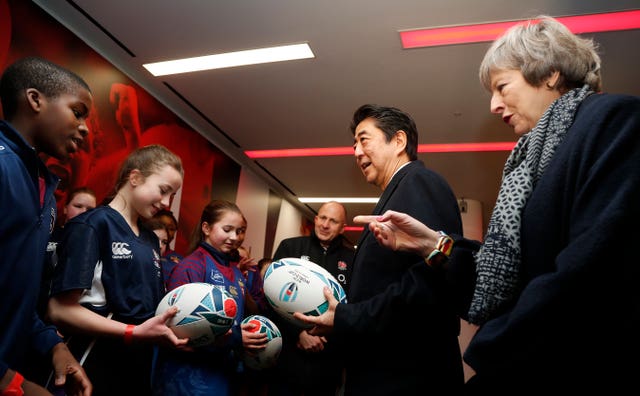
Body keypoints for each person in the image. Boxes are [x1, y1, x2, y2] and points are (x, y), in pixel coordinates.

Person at [319, 16, 640, 393]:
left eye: (502, 87)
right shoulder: (528, 160)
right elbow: (501, 274)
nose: (492, 105)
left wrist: (494, 353)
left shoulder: (613, 121)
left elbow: (590, 269)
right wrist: (433, 246)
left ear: (550, 74)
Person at [296, 104, 465, 394]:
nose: (356, 152)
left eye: (364, 140)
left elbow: (425, 286)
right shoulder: (397, 193)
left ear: (398, 141)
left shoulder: (418, 182)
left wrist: (345, 317)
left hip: (407, 376)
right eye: (354, 145)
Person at [47, 144, 189, 395]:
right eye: (164, 190)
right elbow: (59, 309)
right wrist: (132, 332)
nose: (167, 203)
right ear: (134, 177)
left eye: (173, 196)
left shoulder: (151, 239)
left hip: (137, 364)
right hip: (93, 358)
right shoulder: (93, 225)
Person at [0, 56, 93, 396]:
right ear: (35, 100)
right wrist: (7, 381)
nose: (85, 128)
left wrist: (53, 345)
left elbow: (15, 294)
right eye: (78, 111)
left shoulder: (42, 186)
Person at [152, 200, 268, 396]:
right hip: (188, 378)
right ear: (206, 228)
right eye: (227, 229)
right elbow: (178, 330)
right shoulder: (192, 266)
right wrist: (237, 337)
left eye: (240, 231)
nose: (235, 237)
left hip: (223, 373)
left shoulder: (236, 270)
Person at [269, 200, 354, 396]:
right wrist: (299, 333)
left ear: (343, 228)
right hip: (288, 355)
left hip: (327, 360)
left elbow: (353, 308)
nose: (325, 224)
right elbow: (271, 298)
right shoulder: (290, 247)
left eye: (333, 221)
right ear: (315, 219)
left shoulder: (352, 259)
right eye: (322, 218)